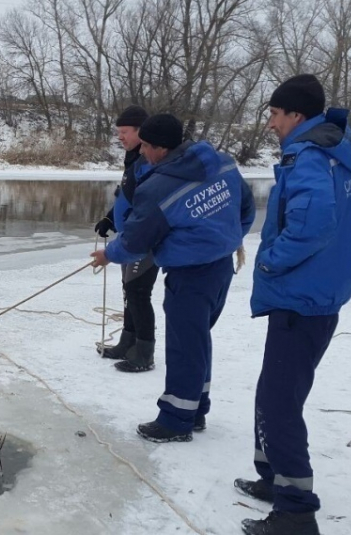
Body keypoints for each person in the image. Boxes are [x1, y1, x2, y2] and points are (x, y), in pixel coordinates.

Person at [236, 74, 351, 535]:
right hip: (319, 293)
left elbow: (313, 225)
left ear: (296, 115)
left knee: (278, 402)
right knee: (278, 392)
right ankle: (273, 479)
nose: (270, 123)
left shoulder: (309, 156)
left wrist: (270, 261)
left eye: (274, 114)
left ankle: (295, 512)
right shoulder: (335, 151)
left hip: (303, 297)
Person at [90, 113, 255, 442]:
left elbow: (137, 241)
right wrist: (225, 241)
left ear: (160, 148)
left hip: (191, 273)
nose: (143, 154)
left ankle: (177, 420)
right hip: (220, 268)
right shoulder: (220, 163)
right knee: (197, 341)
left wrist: (108, 255)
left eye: (147, 147)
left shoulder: (161, 186)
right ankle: (195, 409)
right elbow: (247, 209)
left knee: (184, 346)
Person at [94, 105, 160, 371]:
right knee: (129, 292)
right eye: (118, 132)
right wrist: (111, 218)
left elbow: (148, 204)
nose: (120, 137)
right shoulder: (133, 158)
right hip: (128, 236)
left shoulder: (149, 161)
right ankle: (127, 343)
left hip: (142, 239)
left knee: (138, 292)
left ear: (140, 132)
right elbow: (128, 196)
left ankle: (145, 354)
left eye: (124, 132)